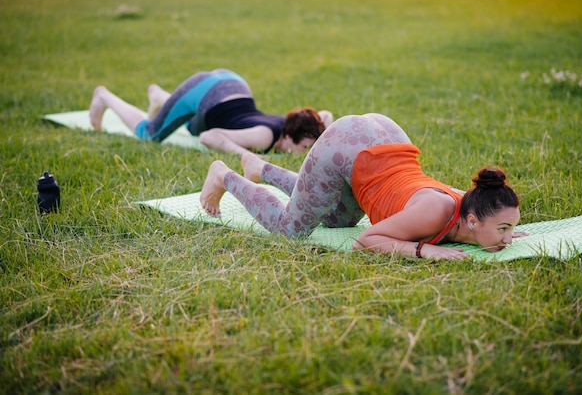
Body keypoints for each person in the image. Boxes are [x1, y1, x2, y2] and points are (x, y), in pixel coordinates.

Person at [199, 113, 526, 261]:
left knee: (337, 219)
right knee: (290, 229)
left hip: (384, 145)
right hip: (350, 144)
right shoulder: (436, 211)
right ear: (472, 221)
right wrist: (426, 250)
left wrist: (500, 228)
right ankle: (224, 176)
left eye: (510, 228)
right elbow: (365, 241)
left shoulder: (470, 204)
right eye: (503, 228)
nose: (508, 237)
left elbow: (486, 209)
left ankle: (262, 168)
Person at [89, 69, 333, 156]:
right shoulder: (264, 137)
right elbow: (209, 138)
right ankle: (105, 96)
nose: (305, 154)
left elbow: (326, 114)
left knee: (192, 126)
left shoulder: (292, 124)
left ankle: (161, 98)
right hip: (204, 91)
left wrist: (324, 128)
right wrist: (249, 156)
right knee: (150, 134)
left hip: (234, 88)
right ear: (289, 138)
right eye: (304, 149)